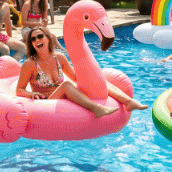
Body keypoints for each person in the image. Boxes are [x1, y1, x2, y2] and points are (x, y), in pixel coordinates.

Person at [16, 27, 147, 116]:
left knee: (95, 77)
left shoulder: (59, 57)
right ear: (31, 44)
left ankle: (128, 102)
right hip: (47, 101)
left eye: (40, 36)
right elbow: (19, 90)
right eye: (33, 39)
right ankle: (97, 109)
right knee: (66, 85)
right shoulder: (30, 64)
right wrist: (30, 94)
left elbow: (74, 77)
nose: (37, 40)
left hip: (62, 97)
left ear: (48, 38)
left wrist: (90, 74)